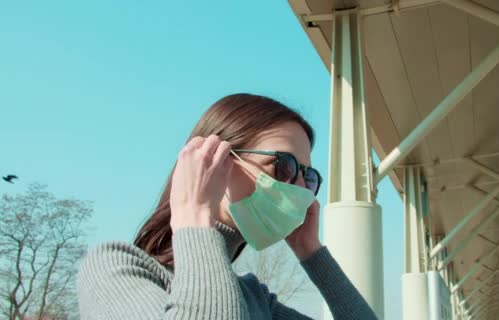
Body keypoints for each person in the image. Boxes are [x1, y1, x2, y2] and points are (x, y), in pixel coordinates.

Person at [76, 94, 377, 319]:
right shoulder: (114, 268)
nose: (301, 191)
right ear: (214, 160)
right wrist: (194, 215)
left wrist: (310, 251)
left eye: (308, 176)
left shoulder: (256, 299)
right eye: (284, 167)